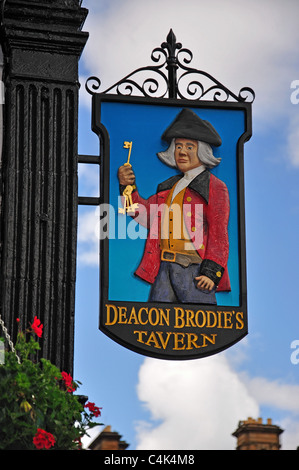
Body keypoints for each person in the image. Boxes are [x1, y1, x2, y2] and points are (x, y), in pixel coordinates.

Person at [117, 108, 230, 304]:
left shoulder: (215, 187)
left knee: (202, 328)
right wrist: (127, 186)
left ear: (202, 150)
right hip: (163, 270)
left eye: (189, 147)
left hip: (195, 272)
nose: (182, 152)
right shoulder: (168, 187)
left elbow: (219, 233)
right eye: (178, 147)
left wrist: (211, 273)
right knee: (155, 326)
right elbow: (143, 214)